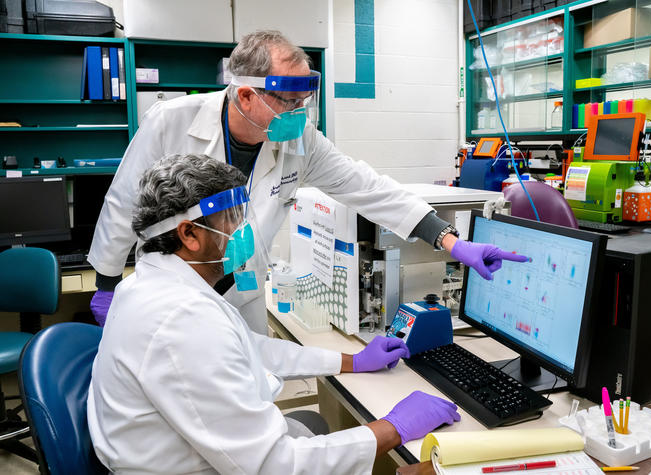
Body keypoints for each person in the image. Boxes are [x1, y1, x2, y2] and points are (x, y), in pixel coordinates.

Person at [88, 30, 528, 333]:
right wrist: (107, 282)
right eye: (290, 101)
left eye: (305, 101)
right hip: (173, 295)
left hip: (242, 297)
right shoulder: (172, 122)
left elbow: (366, 186)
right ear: (246, 94)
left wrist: (449, 240)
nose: (300, 114)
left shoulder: (299, 141)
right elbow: (124, 203)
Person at [87, 154, 461, 474]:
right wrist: (393, 428)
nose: (241, 230)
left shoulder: (150, 285)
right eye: (230, 219)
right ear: (189, 235)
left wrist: (353, 360)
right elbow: (275, 466)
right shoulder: (180, 318)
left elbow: (247, 348)